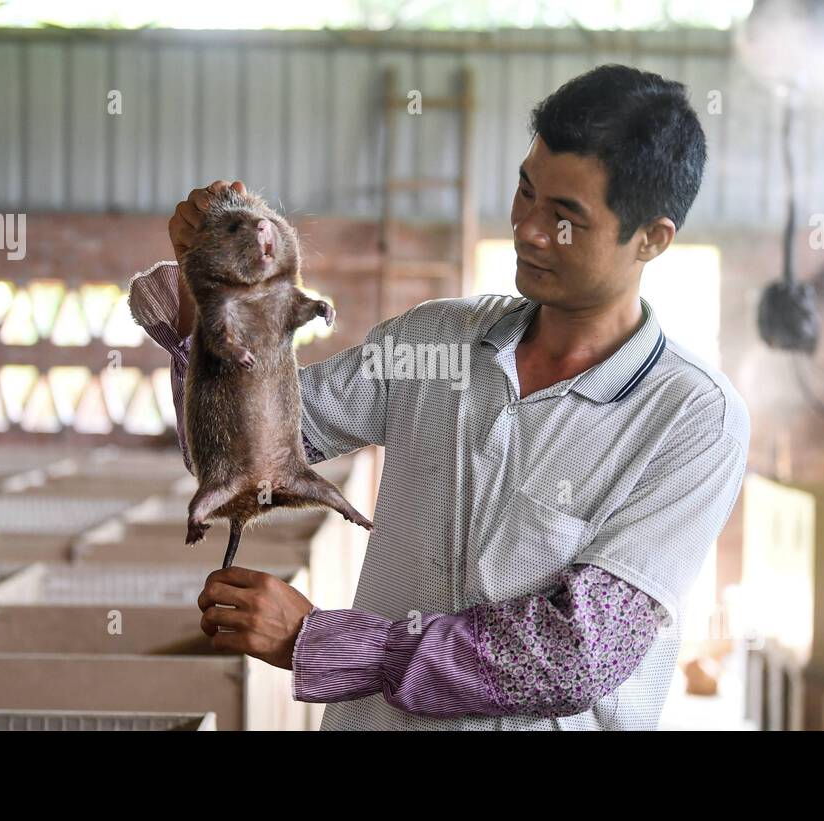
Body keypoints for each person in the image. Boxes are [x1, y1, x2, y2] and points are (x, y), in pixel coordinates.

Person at [127, 64, 749, 730]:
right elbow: (243, 458)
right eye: (525, 190)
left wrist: (319, 640)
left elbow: (574, 652)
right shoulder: (435, 341)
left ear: (652, 238)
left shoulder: (693, 420)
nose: (529, 228)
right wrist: (211, 294)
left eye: (566, 218)